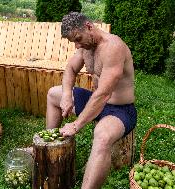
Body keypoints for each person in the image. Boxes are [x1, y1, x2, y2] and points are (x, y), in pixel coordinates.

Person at [46, 12, 137, 189]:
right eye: (74, 42)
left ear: (89, 26)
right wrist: (66, 95)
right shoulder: (84, 47)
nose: (77, 45)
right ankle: (48, 145)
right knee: (53, 94)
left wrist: (76, 125)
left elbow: (103, 94)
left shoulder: (113, 47)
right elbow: (70, 69)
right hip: (96, 102)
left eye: (78, 39)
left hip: (120, 109)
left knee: (102, 136)